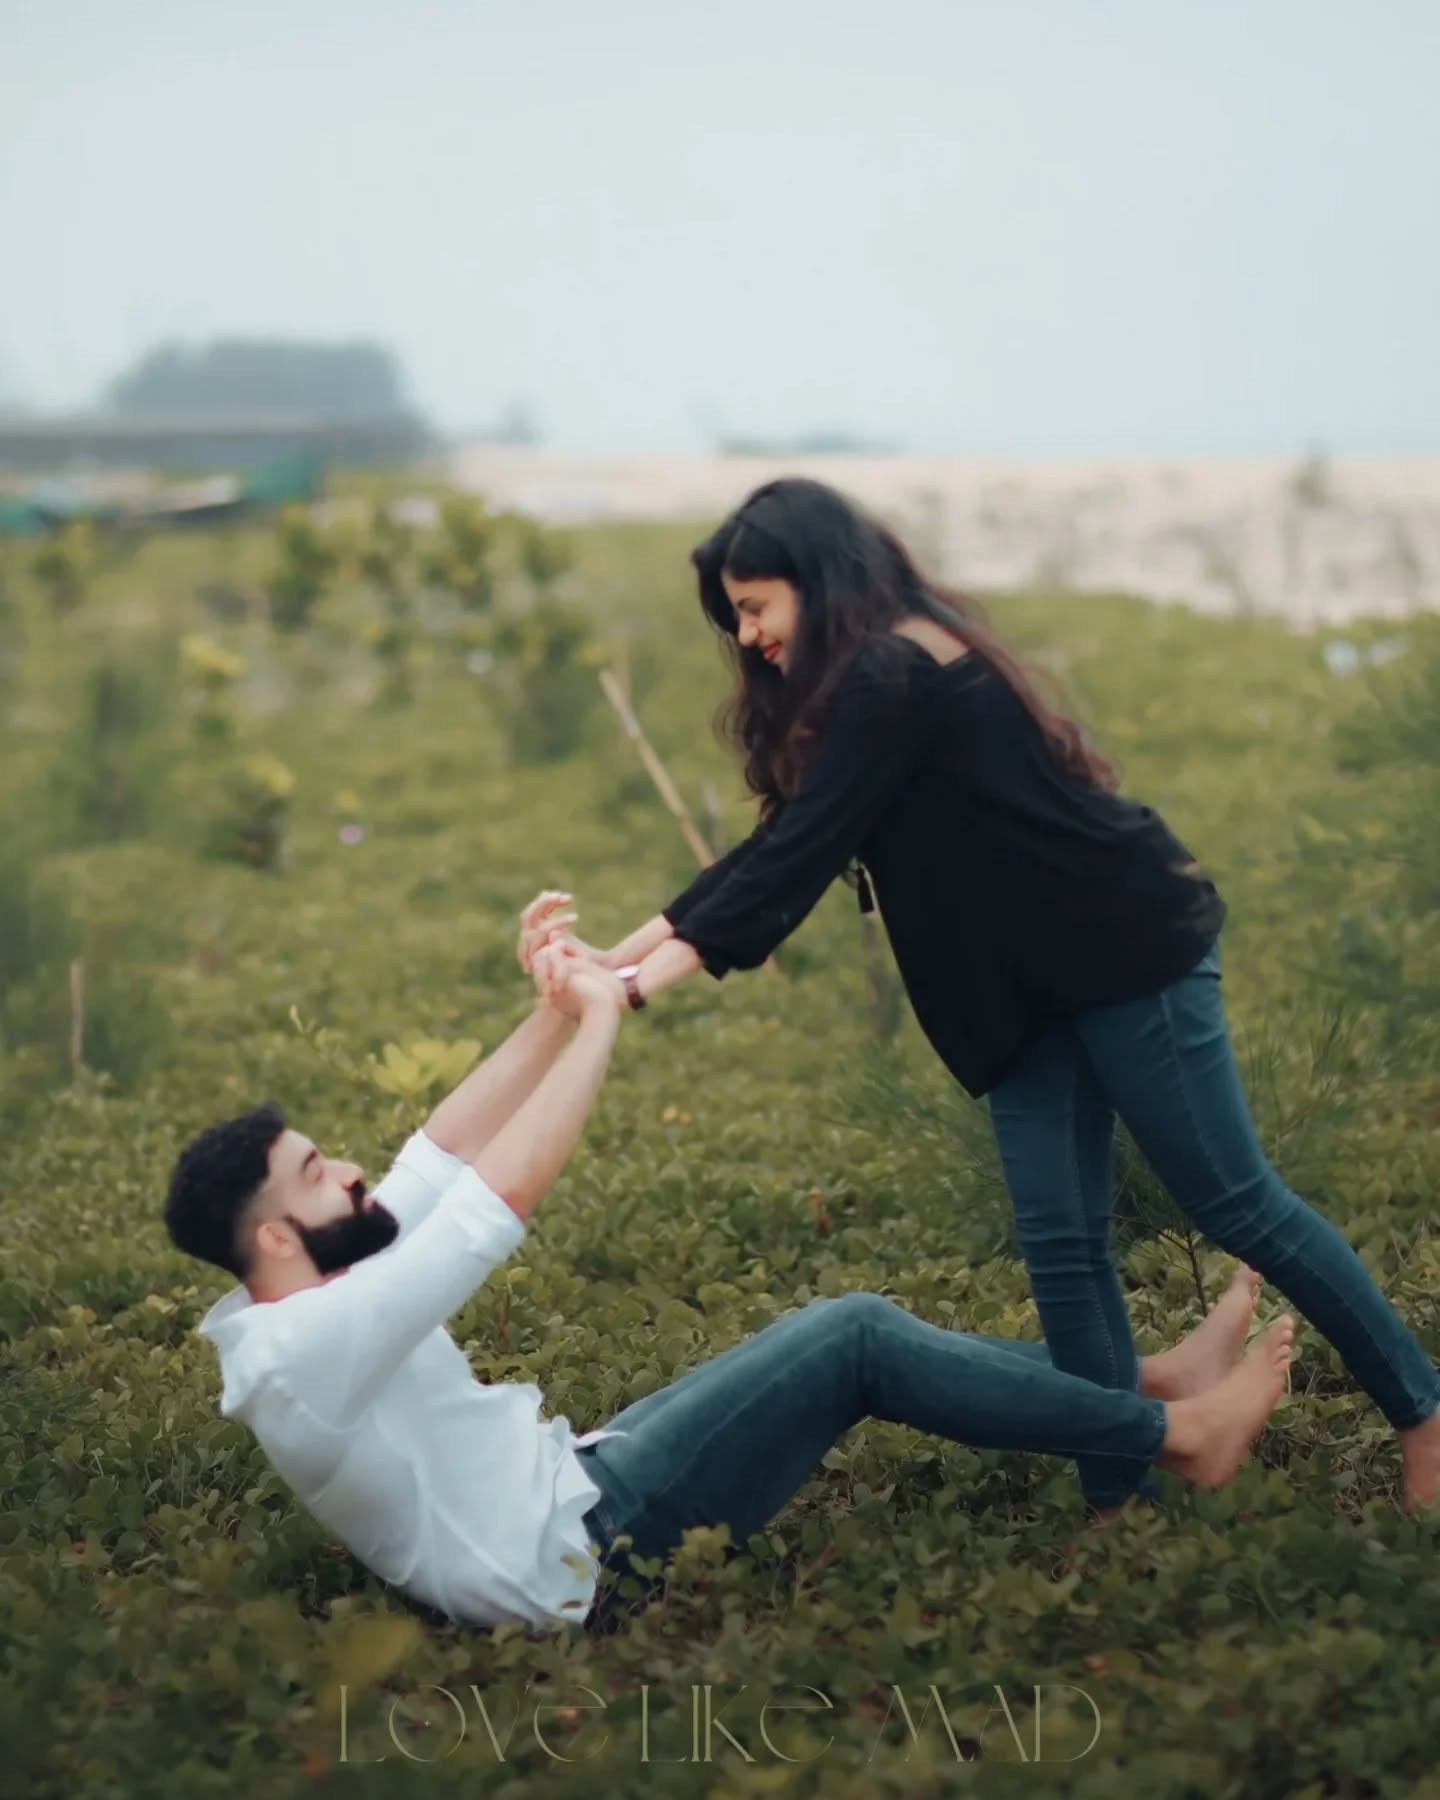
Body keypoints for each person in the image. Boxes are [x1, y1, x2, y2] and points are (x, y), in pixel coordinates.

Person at [517, 476, 1440, 1519]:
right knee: (1063, 1247)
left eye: (758, 606)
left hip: (1123, 952)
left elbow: (796, 858)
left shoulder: (895, 669)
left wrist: (632, 989)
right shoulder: (872, 673)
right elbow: (779, 843)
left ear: (818, 581)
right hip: (1023, 995)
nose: (748, 635)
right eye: (735, 616)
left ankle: (1424, 1410)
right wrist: (618, 958)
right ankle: (1120, 1498)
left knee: (1234, 1201)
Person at [166, 935, 1295, 1636]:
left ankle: (1145, 1383)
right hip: (584, 1559)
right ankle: (1175, 1437)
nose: (348, 1171)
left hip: (575, 1482)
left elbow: (440, 1157)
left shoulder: (314, 1287)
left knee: (848, 1337)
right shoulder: (303, 1358)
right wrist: (597, 1030)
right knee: (852, 1335)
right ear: (273, 1236)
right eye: (317, 1172)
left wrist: (555, 1006)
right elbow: (492, 1202)